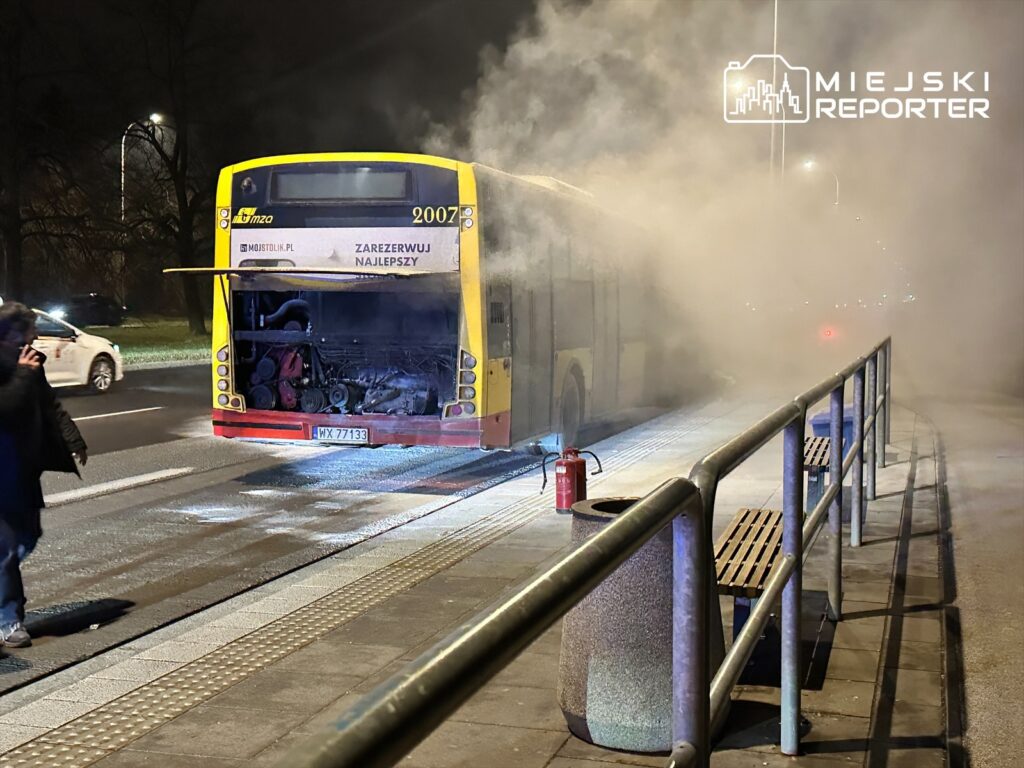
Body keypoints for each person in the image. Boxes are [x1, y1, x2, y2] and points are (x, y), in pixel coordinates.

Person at [0, 302, 86, 648]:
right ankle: (9, 620)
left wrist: (72, 438)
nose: (35, 337)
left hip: (23, 467)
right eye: (29, 330)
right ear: (9, 334)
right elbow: (5, 407)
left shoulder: (31, 363)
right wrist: (22, 374)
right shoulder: (19, 367)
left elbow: (49, 405)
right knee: (5, 548)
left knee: (28, 535)